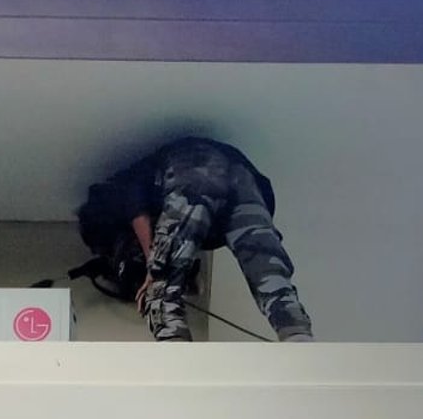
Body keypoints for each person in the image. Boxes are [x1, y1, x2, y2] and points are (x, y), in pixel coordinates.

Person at [77, 136, 314, 342]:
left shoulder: (104, 206)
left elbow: (134, 205)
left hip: (192, 165)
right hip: (242, 175)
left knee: (161, 286)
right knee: (265, 264)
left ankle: (175, 350)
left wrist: (152, 268)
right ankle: (297, 334)